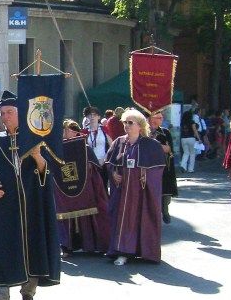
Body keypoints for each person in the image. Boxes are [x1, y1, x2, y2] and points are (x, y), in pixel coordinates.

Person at [0, 91, 61, 300]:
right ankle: (1, 295)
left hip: (31, 202)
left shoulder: (35, 137)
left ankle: (28, 292)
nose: (5, 117)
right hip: (5, 205)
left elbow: (47, 171)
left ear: (20, 113)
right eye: (2, 113)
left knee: (31, 244)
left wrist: (37, 155)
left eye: (9, 112)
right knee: (1, 245)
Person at [104, 109, 166, 265]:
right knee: (121, 219)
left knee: (141, 219)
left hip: (141, 192)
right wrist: (114, 173)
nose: (126, 125)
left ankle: (143, 251)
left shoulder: (151, 145)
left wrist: (146, 173)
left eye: (130, 123)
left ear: (140, 125)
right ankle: (122, 251)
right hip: (122, 191)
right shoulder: (118, 142)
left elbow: (158, 168)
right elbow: (109, 163)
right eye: (125, 122)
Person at [54, 121, 111, 255]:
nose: (73, 132)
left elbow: (94, 169)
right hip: (63, 189)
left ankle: (90, 244)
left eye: (75, 129)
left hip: (85, 188)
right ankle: (66, 245)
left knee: (88, 213)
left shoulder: (84, 148)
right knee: (64, 216)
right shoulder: (55, 148)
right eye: (69, 129)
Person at [148, 110, 179, 224]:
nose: (159, 120)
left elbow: (168, 149)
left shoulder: (165, 132)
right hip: (148, 166)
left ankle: (165, 211)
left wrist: (153, 144)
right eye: (157, 117)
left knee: (165, 192)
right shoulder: (144, 132)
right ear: (150, 118)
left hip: (164, 166)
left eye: (161, 118)